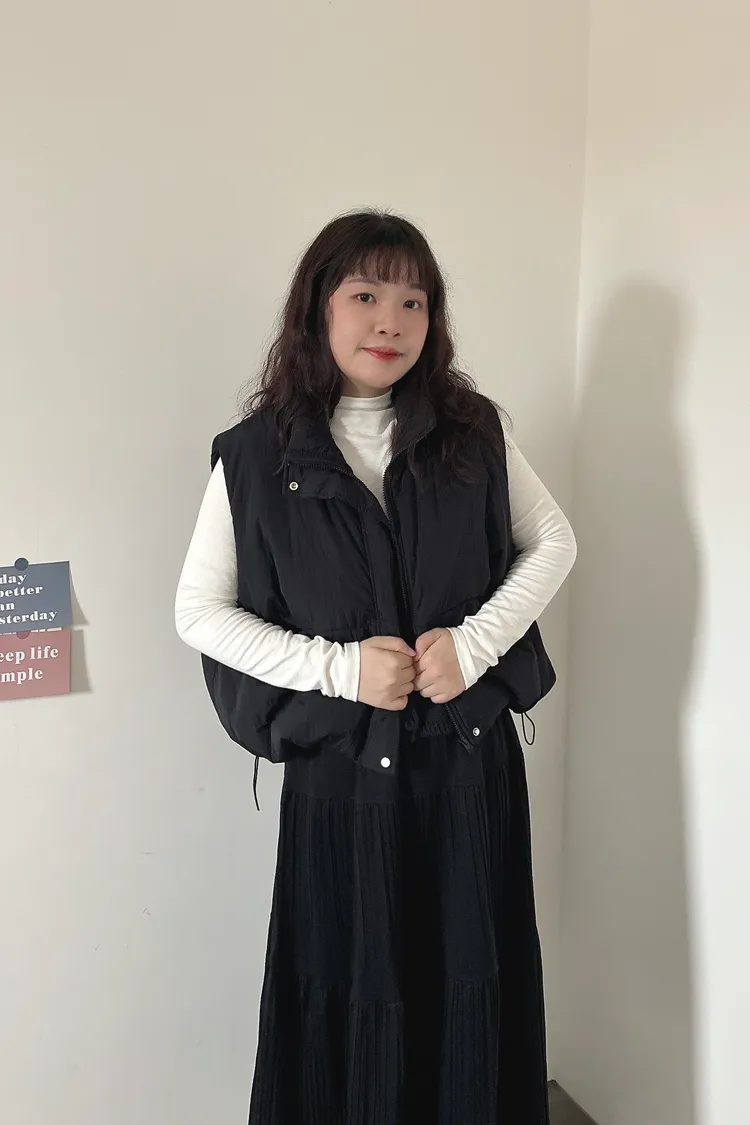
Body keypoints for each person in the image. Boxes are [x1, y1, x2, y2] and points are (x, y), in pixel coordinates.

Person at [174, 209, 577, 1124]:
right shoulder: (255, 456)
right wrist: (339, 669)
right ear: (318, 307)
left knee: (472, 983)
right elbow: (199, 611)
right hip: (341, 782)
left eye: (413, 300)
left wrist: (473, 644)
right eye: (365, 295)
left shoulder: (473, 433)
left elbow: (552, 539)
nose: (390, 320)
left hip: (469, 770)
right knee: (345, 993)